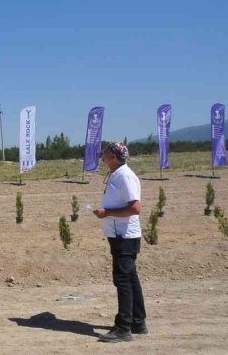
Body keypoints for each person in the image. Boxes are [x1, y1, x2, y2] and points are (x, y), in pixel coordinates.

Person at [93, 141, 147, 343]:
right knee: (130, 278)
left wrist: (107, 213)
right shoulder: (118, 174)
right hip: (120, 235)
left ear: (113, 157)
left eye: (105, 154)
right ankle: (138, 322)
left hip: (124, 235)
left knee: (122, 280)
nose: (102, 156)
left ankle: (123, 327)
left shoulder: (125, 175)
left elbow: (135, 208)